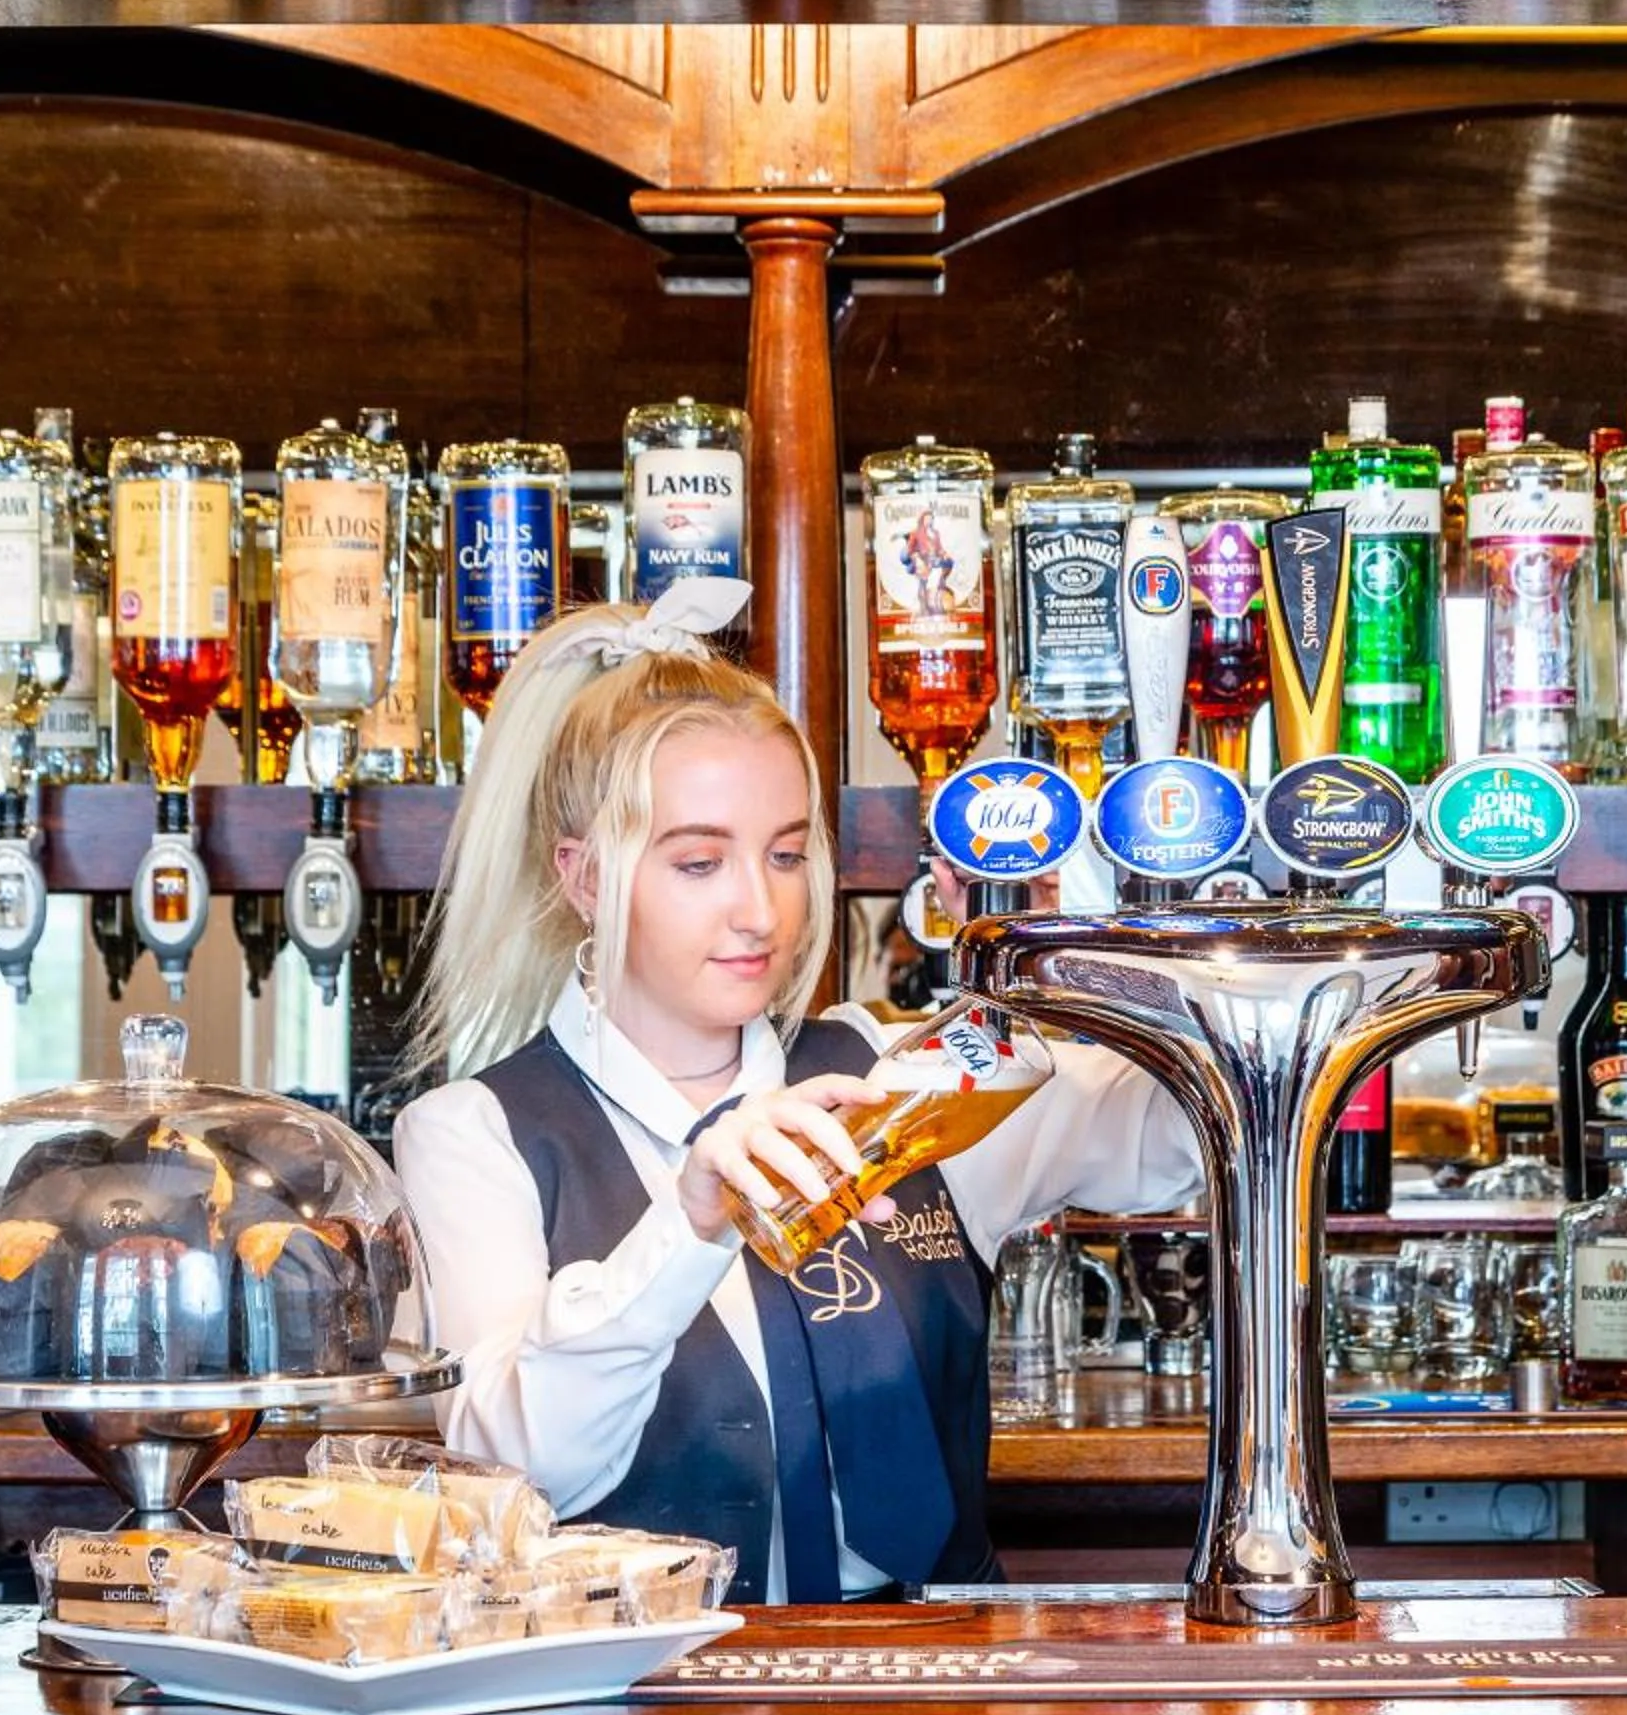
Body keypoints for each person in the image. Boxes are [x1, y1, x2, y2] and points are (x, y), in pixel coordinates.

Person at [393, 578, 1198, 1601]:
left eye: (783, 855)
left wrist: (1062, 946)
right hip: (638, 1709)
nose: (758, 910)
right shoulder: (478, 1135)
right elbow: (518, 1471)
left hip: (944, 1694)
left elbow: (1188, 1133)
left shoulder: (892, 1070)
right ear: (585, 877)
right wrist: (688, 1223)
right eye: (698, 863)